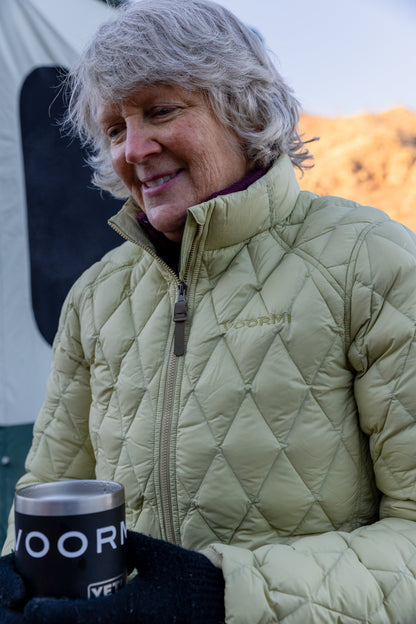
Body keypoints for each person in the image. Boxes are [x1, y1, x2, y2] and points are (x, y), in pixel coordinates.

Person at [1, 0, 416, 622]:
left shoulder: (369, 261)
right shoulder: (95, 296)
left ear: (242, 110)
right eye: (114, 129)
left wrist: (218, 596)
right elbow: (45, 504)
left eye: (161, 111)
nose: (134, 148)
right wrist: (17, 577)